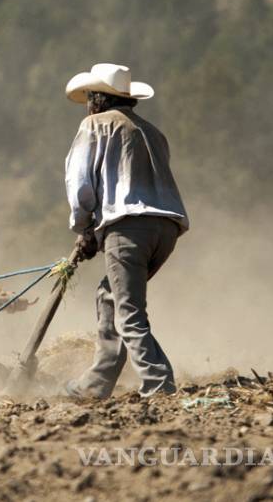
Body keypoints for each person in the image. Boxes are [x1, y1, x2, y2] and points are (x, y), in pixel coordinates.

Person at [62, 63, 189, 399]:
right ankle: (96, 383)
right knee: (110, 297)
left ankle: (159, 382)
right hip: (166, 228)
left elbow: (79, 182)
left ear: (99, 100)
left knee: (128, 312)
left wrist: (84, 227)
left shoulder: (95, 125)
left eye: (90, 97)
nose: (88, 104)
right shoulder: (151, 131)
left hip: (129, 228)